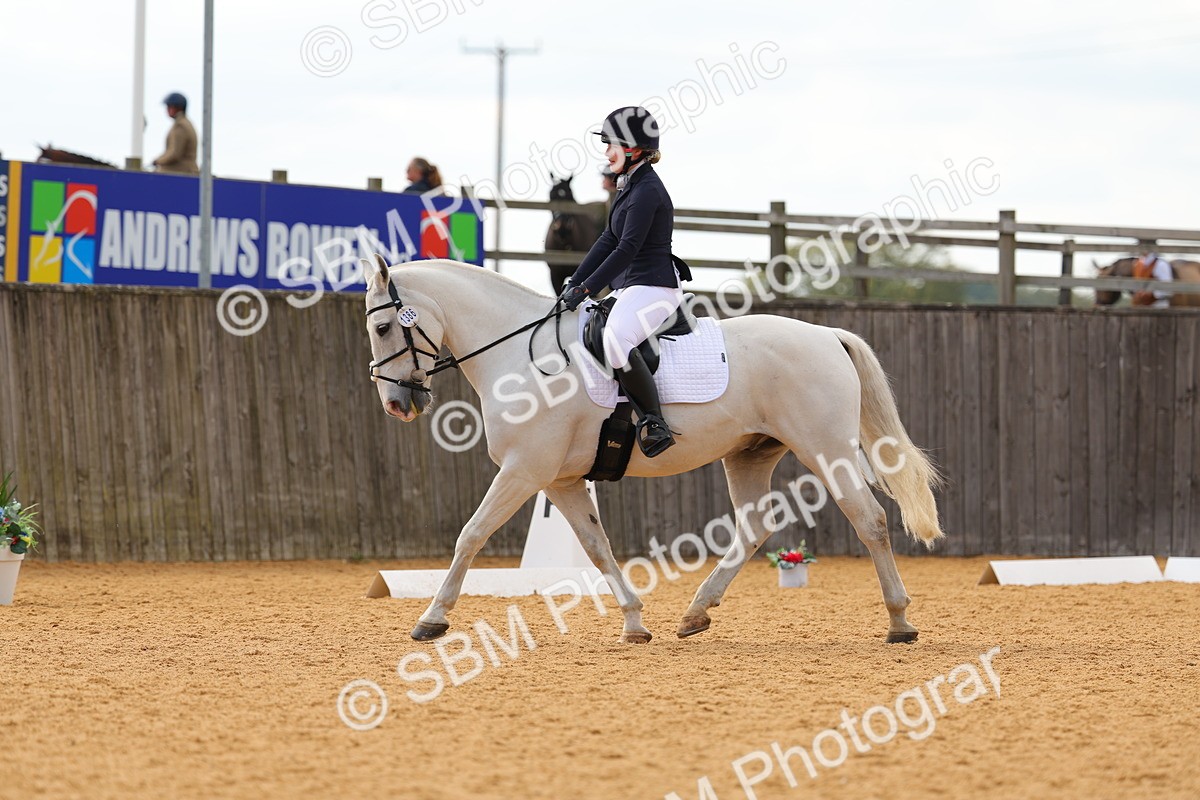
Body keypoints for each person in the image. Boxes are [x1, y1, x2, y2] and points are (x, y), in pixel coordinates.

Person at [558, 106, 692, 458]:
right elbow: (607, 239)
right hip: (632, 285)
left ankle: (654, 421)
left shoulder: (648, 190)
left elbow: (627, 248)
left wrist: (586, 289)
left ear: (633, 148)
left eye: (611, 145)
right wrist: (575, 280)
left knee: (617, 337)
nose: (606, 153)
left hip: (655, 286)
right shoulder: (629, 186)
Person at [152, 92, 199, 175]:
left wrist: (158, 161)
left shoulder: (181, 126)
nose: (167, 110)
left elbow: (175, 154)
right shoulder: (184, 123)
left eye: (168, 106)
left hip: (182, 172)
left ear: (176, 107)